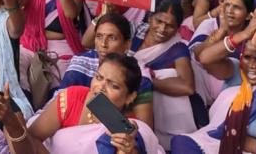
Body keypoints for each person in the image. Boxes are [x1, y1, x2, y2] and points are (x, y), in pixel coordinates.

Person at [171, 26, 256, 154]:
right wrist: (244, 35)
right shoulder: (238, 74)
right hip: (225, 146)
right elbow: (205, 59)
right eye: (247, 57)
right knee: (182, 144)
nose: (251, 66)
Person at [27, 53, 163, 154]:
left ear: (130, 97)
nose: (101, 87)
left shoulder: (130, 127)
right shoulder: (72, 98)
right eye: (98, 77)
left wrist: (129, 150)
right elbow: (32, 137)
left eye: (113, 85)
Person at [61, 13, 154, 128]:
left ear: (127, 44)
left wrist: (109, 121)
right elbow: (59, 104)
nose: (103, 44)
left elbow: (144, 129)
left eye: (112, 38)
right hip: (68, 128)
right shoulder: (81, 62)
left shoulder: (139, 76)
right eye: (99, 36)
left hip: (115, 139)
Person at [130, 0, 200, 148]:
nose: (162, 29)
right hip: (127, 100)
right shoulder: (135, 31)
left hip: (154, 110)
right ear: (150, 18)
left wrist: (146, 80)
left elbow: (187, 87)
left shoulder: (177, 48)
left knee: (167, 74)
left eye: (170, 26)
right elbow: (87, 41)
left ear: (177, 28)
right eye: (159, 21)